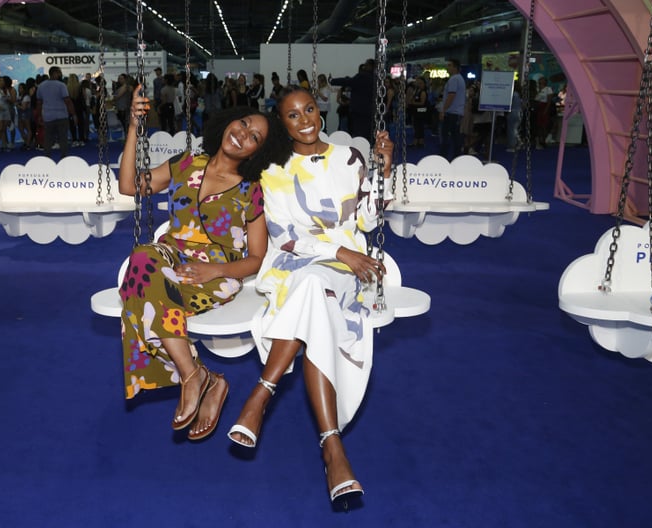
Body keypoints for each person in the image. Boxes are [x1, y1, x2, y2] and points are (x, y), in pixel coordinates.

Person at [227, 86, 394, 507]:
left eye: (310, 110)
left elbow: (368, 220)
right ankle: (332, 446)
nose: (305, 120)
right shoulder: (274, 170)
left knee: (317, 294)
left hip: (348, 269)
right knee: (313, 288)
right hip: (297, 268)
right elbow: (285, 239)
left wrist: (384, 170)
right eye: (292, 115)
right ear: (281, 123)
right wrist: (339, 251)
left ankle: (261, 394)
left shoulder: (349, 158)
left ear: (320, 112)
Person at [118, 87, 293, 441]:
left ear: (259, 151)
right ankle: (196, 374)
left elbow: (257, 259)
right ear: (229, 121)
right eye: (243, 123)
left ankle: (202, 378)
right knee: (142, 257)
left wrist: (215, 270)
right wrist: (135, 127)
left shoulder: (250, 190)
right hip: (169, 259)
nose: (243, 134)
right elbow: (128, 186)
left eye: (254, 136)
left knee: (142, 291)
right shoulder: (185, 163)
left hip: (217, 275)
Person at [35, 66, 76, 159]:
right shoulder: (61, 85)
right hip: (62, 116)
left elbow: (39, 103)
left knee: (48, 138)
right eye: (59, 72)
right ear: (55, 73)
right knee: (63, 138)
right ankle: (64, 157)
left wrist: (39, 116)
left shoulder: (41, 86)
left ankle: (47, 157)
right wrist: (73, 114)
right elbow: (67, 101)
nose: (60, 74)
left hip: (48, 116)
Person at [330, 59, 376, 141]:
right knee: (368, 132)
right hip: (370, 110)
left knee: (359, 133)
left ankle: (360, 149)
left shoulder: (362, 76)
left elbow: (347, 81)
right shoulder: (375, 78)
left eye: (366, 65)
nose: (364, 66)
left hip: (359, 110)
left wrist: (332, 81)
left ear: (369, 66)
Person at [438, 58, 466, 160]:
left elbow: (451, 95)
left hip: (452, 112)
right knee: (455, 136)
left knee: (448, 136)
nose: (447, 67)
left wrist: (443, 110)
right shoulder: (460, 78)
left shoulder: (454, 79)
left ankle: (444, 157)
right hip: (456, 112)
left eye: (449, 65)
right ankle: (456, 157)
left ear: (455, 67)